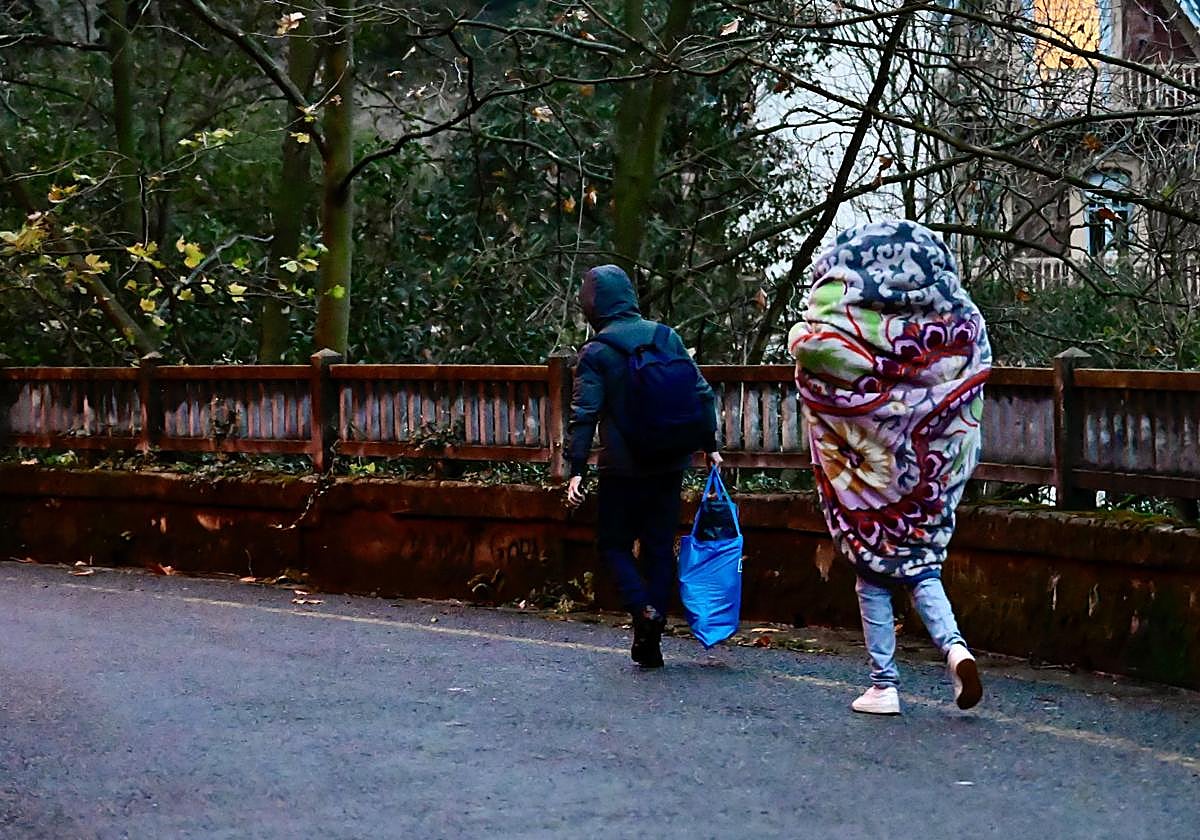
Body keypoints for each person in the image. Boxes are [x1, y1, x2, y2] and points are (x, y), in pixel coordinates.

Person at [788, 220, 990, 715]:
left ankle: (884, 684)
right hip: (925, 478)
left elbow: (813, 357)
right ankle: (954, 648)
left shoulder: (840, 325)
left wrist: (798, 336)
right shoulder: (957, 320)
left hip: (864, 478)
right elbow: (969, 373)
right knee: (922, 568)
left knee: (871, 573)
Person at [565, 264, 722, 668]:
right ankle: (651, 634)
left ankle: (642, 611)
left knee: (614, 544)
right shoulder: (665, 337)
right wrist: (710, 444)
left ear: (593, 305)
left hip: (622, 466)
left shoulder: (596, 352)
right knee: (657, 548)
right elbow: (702, 393)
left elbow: (584, 413)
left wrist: (576, 467)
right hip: (670, 461)